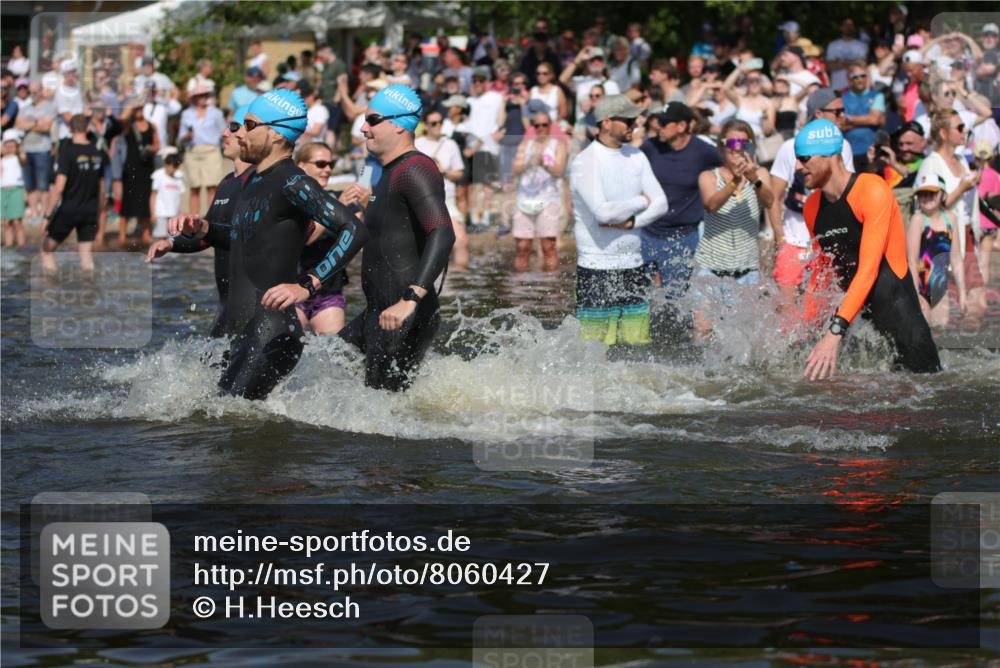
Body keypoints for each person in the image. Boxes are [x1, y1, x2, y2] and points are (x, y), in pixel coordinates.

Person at [172, 89, 366, 399]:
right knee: (218, 418)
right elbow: (243, 237)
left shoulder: (293, 181)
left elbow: (353, 229)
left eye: (249, 125)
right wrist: (203, 229)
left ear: (275, 134)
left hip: (272, 333)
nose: (240, 133)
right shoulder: (255, 181)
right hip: (243, 330)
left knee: (227, 417)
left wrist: (308, 283)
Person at [797, 119, 940, 379]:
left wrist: (835, 332)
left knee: (929, 395)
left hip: (902, 322)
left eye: (804, 158)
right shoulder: (812, 207)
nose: (798, 166)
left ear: (831, 156)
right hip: (860, 328)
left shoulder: (871, 189)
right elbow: (821, 276)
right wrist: (802, 331)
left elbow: (869, 270)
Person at [334, 84, 456, 391]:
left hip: (401, 315)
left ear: (399, 125)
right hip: (378, 312)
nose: (363, 128)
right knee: (328, 362)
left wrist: (410, 299)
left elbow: (443, 231)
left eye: (372, 120)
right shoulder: (389, 171)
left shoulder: (415, 168)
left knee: (382, 412)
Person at [146, 105, 254, 339]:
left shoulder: (259, 182)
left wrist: (204, 228)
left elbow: (249, 236)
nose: (224, 133)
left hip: (252, 307)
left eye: (233, 127)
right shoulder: (226, 183)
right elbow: (208, 237)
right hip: (226, 306)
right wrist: (172, 244)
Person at [571, 95, 668, 345]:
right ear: (606, 122)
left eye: (635, 120)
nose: (634, 125)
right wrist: (641, 202)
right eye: (628, 120)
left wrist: (633, 223)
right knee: (593, 349)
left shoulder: (637, 155)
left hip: (634, 264)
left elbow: (662, 203)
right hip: (596, 267)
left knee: (637, 345)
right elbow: (603, 213)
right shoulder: (585, 161)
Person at [769, 88, 855, 301]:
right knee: (787, 309)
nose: (843, 116)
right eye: (837, 112)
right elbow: (773, 198)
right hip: (793, 240)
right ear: (819, 114)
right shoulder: (789, 148)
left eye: (843, 111)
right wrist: (780, 239)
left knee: (822, 307)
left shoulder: (843, 147)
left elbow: (847, 196)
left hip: (827, 242)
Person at [639, 102, 723, 313]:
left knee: (677, 303)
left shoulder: (704, 151)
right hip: (646, 233)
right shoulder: (650, 147)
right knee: (638, 297)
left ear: (682, 126)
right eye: (658, 121)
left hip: (682, 237)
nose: (658, 126)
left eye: (665, 123)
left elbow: (729, 168)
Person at [693, 120, 775, 334]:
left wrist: (753, 179)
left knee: (742, 335)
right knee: (703, 331)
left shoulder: (760, 175)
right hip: (710, 269)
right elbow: (711, 205)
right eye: (732, 143)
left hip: (746, 271)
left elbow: (769, 201)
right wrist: (734, 182)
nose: (738, 149)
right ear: (722, 146)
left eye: (744, 143)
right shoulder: (708, 176)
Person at [915, 111, 987, 313]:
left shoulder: (961, 159)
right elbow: (927, 206)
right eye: (960, 127)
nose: (965, 131)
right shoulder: (931, 163)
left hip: (967, 234)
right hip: (943, 239)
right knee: (945, 310)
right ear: (944, 133)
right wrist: (962, 188)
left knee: (978, 305)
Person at [293, 142, 349, 334]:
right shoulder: (292, 200)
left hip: (328, 291)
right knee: (287, 347)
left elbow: (358, 237)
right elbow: (305, 239)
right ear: (301, 166)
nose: (327, 170)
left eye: (331, 164)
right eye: (320, 164)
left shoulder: (336, 197)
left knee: (333, 350)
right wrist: (336, 208)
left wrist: (364, 204)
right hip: (294, 287)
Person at [39, 114, 105, 273]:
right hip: (90, 210)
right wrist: (98, 212)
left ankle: (51, 284)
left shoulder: (67, 152)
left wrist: (47, 216)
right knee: (86, 257)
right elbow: (102, 188)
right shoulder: (97, 152)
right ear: (87, 129)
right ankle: (90, 285)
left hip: (69, 209)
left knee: (46, 250)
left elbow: (58, 188)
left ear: (70, 129)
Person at [906, 172, 966, 329]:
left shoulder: (950, 219)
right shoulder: (918, 220)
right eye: (922, 194)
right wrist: (915, 295)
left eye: (931, 193)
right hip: (920, 288)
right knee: (924, 331)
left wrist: (962, 293)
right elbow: (911, 261)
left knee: (941, 331)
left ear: (943, 195)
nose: (926, 198)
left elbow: (956, 260)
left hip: (940, 289)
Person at [512, 110, 567, 272]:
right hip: (524, 198)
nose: (541, 128)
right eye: (537, 125)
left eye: (545, 124)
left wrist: (544, 164)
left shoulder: (558, 145)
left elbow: (560, 171)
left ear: (550, 125)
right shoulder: (525, 145)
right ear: (533, 127)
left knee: (548, 246)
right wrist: (528, 162)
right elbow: (515, 170)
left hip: (549, 199)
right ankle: (521, 283)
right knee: (522, 247)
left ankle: (549, 282)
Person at [415, 109, 469, 268]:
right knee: (425, 244)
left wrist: (443, 171)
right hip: (423, 199)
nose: (438, 126)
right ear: (426, 125)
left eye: (440, 122)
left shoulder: (450, 144)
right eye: (434, 123)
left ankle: (461, 277)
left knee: (461, 241)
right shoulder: (417, 144)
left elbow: (460, 173)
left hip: (447, 199)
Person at [465, 69, 504, 228]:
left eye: (481, 80)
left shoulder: (496, 97)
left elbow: (501, 119)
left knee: (486, 184)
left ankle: (485, 219)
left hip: (488, 147)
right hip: (471, 147)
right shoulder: (469, 100)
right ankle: (475, 219)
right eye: (475, 80)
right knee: (473, 185)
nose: (477, 83)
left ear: (487, 82)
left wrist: (496, 133)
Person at [179, 84, 226, 215]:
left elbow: (224, 132)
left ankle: (211, 219)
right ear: (193, 98)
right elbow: (180, 137)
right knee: (194, 188)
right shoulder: (186, 114)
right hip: (192, 151)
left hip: (211, 151)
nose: (202, 98)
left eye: (204, 95)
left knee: (212, 187)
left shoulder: (216, 113)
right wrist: (186, 137)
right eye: (199, 95)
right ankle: (194, 219)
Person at [14, 81, 55, 224]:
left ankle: (44, 215)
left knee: (43, 184)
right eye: (31, 92)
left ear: (41, 91)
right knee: (30, 184)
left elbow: (46, 127)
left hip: (42, 150)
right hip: (27, 150)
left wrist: (28, 125)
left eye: (35, 92)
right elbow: (18, 125)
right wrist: (37, 123)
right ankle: (34, 214)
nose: (32, 95)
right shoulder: (25, 108)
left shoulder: (49, 107)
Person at [120, 103, 158, 245]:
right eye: (136, 108)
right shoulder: (128, 126)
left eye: (140, 108)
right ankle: (122, 236)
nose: (138, 111)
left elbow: (157, 145)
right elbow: (121, 119)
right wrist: (131, 105)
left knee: (145, 202)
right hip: (131, 168)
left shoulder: (152, 126)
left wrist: (151, 149)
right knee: (127, 202)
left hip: (146, 168)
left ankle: (146, 234)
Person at [841, 65, 886, 169]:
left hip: (872, 149)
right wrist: (866, 119)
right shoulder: (842, 98)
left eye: (863, 76)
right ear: (849, 79)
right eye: (855, 77)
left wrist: (850, 120)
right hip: (849, 151)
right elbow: (840, 121)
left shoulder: (877, 95)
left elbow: (874, 120)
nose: (859, 79)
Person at [974, 140, 998, 285]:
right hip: (991, 224)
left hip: (978, 222)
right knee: (985, 262)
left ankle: (976, 290)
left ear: (975, 158)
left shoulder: (976, 175)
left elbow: (979, 197)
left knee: (975, 262)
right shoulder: (996, 175)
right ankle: (983, 291)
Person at [825, 19, 869, 91]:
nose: (848, 27)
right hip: (838, 88)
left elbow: (863, 64)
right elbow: (829, 66)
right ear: (841, 27)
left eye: (851, 25)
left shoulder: (861, 46)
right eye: (846, 25)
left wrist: (840, 62)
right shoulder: (833, 45)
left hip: (857, 89)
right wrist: (854, 62)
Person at [150, 153, 185, 238]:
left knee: (174, 238)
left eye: (176, 167)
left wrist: (181, 212)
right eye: (173, 166)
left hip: (174, 214)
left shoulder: (179, 178)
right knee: (160, 237)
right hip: (160, 214)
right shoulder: (158, 176)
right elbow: (153, 196)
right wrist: (153, 213)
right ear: (166, 164)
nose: (174, 169)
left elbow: (181, 196)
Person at [1, 129, 27, 247]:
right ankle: (8, 246)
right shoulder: (1, 160)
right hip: (3, 191)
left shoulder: (19, 158)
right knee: (6, 222)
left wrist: (20, 148)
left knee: (17, 221)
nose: (10, 147)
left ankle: (21, 245)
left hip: (16, 190)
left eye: (13, 145)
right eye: (7, 144)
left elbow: (23, 159)